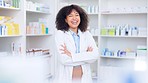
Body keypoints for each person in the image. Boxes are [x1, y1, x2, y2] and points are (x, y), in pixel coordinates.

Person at [54, 4, 98, 83]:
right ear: (65, 19)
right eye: (70, 16)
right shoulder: (60, 34)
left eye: (77, 15)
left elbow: (95, 55)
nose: (74, 18)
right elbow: (64, 59)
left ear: (80, 18)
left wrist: (72, 55)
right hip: (65, 77)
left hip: (84, 77)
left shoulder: (86, 34)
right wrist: (86, 55)